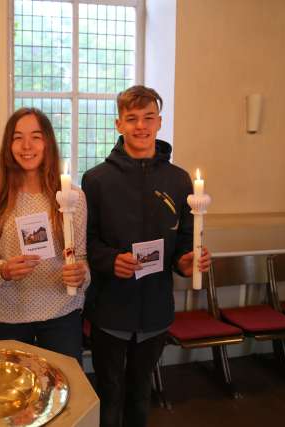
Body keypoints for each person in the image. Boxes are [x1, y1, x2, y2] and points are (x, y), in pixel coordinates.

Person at [81, 85, 212, 427]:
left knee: (141, 391)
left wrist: (186, 262)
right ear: (118, 124)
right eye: (132, 118)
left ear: (159, 122)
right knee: (109, 391)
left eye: (148, 118)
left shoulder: (179, 180)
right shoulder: (96, 180)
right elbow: (87, 241)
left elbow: (184, 243)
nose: (141, 126)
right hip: (111, 308)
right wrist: (111, 261)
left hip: (155, 309)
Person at [0, 107, 89, 361]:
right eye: (18, 137)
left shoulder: (73, 197)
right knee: (14, 396)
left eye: (36, 136)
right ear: (9, 145)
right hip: (7, 316)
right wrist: (2, 271)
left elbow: (81, 257)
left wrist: (81, 274)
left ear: (47, 142)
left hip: (61, 314)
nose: (27, 145)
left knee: (64, 393)